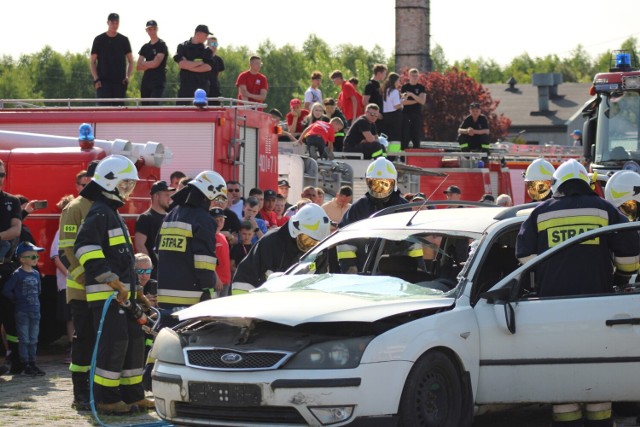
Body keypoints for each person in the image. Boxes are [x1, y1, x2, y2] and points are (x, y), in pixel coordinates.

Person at [516, 159, 640, 427]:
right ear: (587, 182)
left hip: (553, 310)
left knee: (563, 377)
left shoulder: (541, 212)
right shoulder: (604, 209)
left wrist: (546, 271)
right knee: (598, 376)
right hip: (599, 307)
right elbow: (630, 249)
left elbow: (523, 253)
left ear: (557, 184)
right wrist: (619, 277)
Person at [73, 155, 152, 414]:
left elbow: (123, 260)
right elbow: (85, 248)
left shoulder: (112, 213)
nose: (128, 190)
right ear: (109, 183)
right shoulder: (99, 213)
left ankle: (133, 395)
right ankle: (106, 398)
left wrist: (136, 291)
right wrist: (109, 278)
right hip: (106, 296)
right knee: (114, 344)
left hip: (122, 295)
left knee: (133, 341)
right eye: (125, 184)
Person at [59, 160, 99, 410]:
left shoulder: (106, 207)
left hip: (104, 290)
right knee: (84, 339)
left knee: (101, 341)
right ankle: (80, 394)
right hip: (82, 290)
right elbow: (65, 250)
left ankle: (99, 391)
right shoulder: (75, 208)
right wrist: (84, 278)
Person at [156, 171, 227, 311]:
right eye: (215, 198)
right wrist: (207, 289)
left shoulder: (171, 215)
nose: (215, 204)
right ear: (208, 194)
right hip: (192, 298)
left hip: (165, 296)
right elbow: (204, 261)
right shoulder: (203, 219)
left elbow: (157, 250)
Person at [232, 203, 330, 293]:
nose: (309, 245)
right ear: (295, 228)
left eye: (315, 242)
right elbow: (243, 280)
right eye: (306, 239)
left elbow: (320, 286)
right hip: (263, 305)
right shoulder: (271, 242)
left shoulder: (319, 252)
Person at [2, 242, 46, 377]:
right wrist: (17, 299)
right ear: (22, 259)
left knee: (34, 338)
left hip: (35, 310)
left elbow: (38, 291)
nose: (36, 259)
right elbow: (7, 290)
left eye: (37, 256)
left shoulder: (36, 274)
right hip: (22, 311)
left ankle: (32, 362)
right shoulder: (17, 274)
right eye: (32, 257)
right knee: (24, 338)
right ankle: (25, 363)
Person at [0, 160, 24, 375]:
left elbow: (16, 230)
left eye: (2, 174)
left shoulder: (11, 201)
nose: (0, 178)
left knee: (10, 316)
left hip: (5, 267)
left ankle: (16, 361)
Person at [50, 195, 75, 361]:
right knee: (71, 317)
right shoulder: (61, 231)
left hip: (77, 282)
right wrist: (70, 275)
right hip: (67, 283)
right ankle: (73, 350)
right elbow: (55, 256)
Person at [90, 13, 133, 106]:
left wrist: (127, 77)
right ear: (108, 23)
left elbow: (131, 61)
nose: (115, 25)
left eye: (117, 23)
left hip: (119, 83)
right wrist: (96, 79)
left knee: (118, 115)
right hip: (103, 83)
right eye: (112, 23)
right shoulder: (99, 39)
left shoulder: (124, 40)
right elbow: (92, 62)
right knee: (103, 114)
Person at [134, 180, 175, 279]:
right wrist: (150, 266)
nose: (169, 199)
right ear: (156, 196)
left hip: (169, 270)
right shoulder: (145, 218)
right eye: (166, 195)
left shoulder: (170, 217)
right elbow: (139, 245)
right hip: (154, 273)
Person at [174, 25, 215, 105]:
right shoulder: (182, 47)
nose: (207, 38)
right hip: (185, 86)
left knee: (201, 114)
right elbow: (182, 64)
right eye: (206, 35)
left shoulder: (207, 50)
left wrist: (188, 66)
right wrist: (200, 62)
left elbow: (208, 67)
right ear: (198, 33)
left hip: (202, 88)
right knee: (181, 112)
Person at [136, 20, 168, 104]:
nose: (152, 31)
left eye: (154, 29)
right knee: (145, 107)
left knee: (154, 105)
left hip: (158, 81)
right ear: (146, 30)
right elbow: (138, 66)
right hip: (146, 81)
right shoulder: (145, 47)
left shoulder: (161, 45)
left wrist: (145, 63)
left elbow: (156, 63)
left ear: (157, 29)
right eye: (150, 29)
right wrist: (150, 63)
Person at [401, 68, 426, 150]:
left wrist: (412, 95)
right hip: (406, 115)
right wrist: (417, 100)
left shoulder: (421, 87)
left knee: (416, 137)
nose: (414, 77)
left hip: (417, 116)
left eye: (416, 76)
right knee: (405, 137)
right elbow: (403, 102)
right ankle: (402, 158)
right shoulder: (404, 87)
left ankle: (416, 157)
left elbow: (422, 101)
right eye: (412, 76)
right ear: (409, 76)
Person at [210, 208, 231, 297]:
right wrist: (216, 279)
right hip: (216, 281)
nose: (219, 223)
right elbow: (209, 259)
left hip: (226, 280)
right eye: (216, 220)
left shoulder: (222, 236)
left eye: (221, 220)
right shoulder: (210, 237)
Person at [363, 64, 387, 132]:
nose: (385, 76)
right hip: (374, 117)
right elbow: (365, 101)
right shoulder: (370, 85)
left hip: (380, 116)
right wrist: (375, 114)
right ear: (379, 73)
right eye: (384, 74)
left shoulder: (378, 84)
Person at [382, 72, 403, 144]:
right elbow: (397, 106)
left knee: (388, 137)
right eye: (398, 80)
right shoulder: (395, 91)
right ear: (395, 81)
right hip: (395, 116)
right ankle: (394, 154)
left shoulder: (386, 90)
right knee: (395, 138)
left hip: (386, 116)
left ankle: (388, 154)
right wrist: (403, 101)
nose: (399, 82)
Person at [206, 36, 225, 102]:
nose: (214, 46)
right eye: (212, 44)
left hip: (215, 89)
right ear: (207, 45)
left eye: (216, 44)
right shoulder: (202, 58)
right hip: (203, 88)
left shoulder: (219, 60)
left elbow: (218, 75)